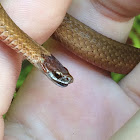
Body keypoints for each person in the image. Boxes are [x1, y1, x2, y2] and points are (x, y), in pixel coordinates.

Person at [0, 0, 140, 139]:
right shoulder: (32, 50)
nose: (62, 78)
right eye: (57, 74)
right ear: (46, 68)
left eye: (59, 74)